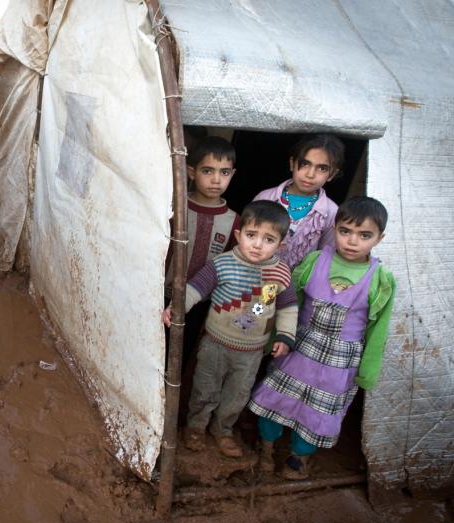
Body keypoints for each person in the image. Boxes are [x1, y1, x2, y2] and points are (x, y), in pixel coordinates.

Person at [248, 196, 396, 480]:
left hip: (338, 365)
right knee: (275, 398)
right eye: (345, 231)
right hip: (298, 349)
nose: (353, 241)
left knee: (318, 412)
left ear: (380, 238)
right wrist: (271, 335)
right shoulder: (315, 261)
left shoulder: (381, 279)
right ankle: (265, 448)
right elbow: (288, 300)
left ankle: (298, 458)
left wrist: (368, 370)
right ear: (335, 228)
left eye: (364, 235)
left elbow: (379, 329)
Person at [163, 200, 298, 457]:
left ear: (281, 245)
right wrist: (176, 307)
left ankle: (223, 430)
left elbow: (288, 307)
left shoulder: (280, 273)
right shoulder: (222, 264)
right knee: (205, 388)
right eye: (251, 235)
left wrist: (285, 336)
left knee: (237, 395)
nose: (257, 244)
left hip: (251, 352)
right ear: (238, 235)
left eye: (268, 239)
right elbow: (195, 288)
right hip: (214, 344)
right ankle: (195, 427)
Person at [164, 136, 241, 358]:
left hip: (199, 304)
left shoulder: (234, 221)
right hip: (161, 294)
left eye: (224, 172)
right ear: (191, 172)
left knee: (180, 354)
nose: (216, 179)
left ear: (232, 175)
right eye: (207, 171)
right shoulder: (173, 207)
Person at [254, 134, 345, 269]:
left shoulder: (331, 212)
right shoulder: (266, 197)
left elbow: (325, 258)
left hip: (296, 286)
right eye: (305, 164)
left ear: (331, 174)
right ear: (292, 163)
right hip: (252, 277)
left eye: (322, 168)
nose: (310, 174)